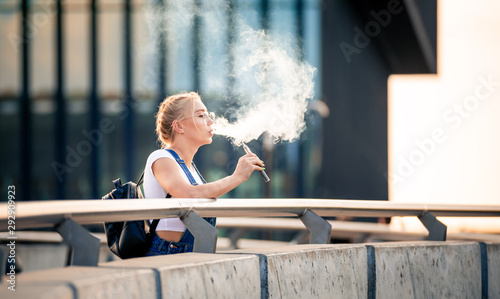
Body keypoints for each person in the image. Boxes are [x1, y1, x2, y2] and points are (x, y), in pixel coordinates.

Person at [142, 91, 264, 256]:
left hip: (192, 252)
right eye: (201, 115)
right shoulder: (160, 158)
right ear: (178, 126)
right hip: (167, 253)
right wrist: (237, 177)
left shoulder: (191, 168)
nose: (210, 121)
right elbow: (188, 194)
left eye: (209, 115)